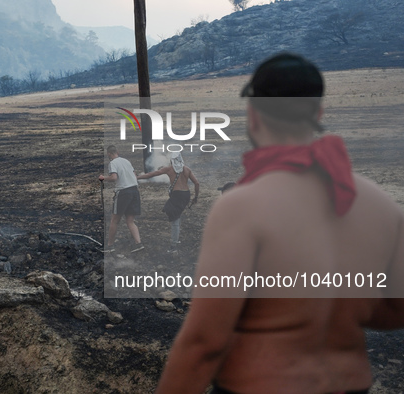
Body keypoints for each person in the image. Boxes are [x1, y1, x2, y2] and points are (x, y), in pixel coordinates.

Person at [156, 53, 404, 393]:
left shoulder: (242, 206)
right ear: (318, 113)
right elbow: (395, 311)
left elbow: (204, 342)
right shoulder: (382, 206)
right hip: (349, 383)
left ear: (254, 114)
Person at [137, 152, 199, 252]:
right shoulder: (187, 169)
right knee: (176, 215)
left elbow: (152, 174)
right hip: (186, 194)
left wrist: (137, 177)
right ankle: (176, 238)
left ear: (171, 160)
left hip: (177, 195)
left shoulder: (169, 169)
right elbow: (197, 183)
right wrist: (196, 197)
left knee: (173, 216)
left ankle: (173, 246)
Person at [99, 145, 144, 253]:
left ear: (109, 154)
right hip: (134, 191)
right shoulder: (126, 161)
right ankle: (139, 244)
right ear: (117, 151)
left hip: (123, 193)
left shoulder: (113, 163)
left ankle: (110, 246)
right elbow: (134, 175)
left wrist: (103, 178)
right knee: (130, 220)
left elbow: (114, 177)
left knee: (115, 220)